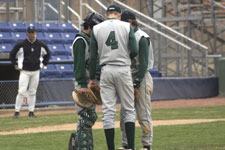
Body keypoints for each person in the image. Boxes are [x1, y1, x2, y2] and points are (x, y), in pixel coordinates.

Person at [89, 5, 138, 150]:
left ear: (106, 14)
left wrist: (92, 78)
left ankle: (110, 148)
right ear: (119, 14)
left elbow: (92, 57)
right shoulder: (126, 26)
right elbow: (134, 50)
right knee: (129, 109)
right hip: (123, 68)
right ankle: (131, 147)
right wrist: (125, 57)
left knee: (108, 111)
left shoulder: (96, 29)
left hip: (106, 70)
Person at [120, 10, 154, 150]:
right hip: (128, 77)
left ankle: (146, 145)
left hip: (142, 77)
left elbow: (144, 64)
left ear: (129, 22)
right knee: (125, 114)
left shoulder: (142, 37)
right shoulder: (125, 36)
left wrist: (136, 82)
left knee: (143, 113)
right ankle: (126, 144)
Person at [71, 12, 105, 150]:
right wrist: (82, 85)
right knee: (87, 116)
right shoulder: (81, 40)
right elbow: (79, 64)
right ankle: (81, 147)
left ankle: (79, 145)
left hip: (91, 83)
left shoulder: (90, 40)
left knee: (89, 118)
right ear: (91, 26)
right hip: (83, 83)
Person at [10, 26, 50, 118]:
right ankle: (17, 111)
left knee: (32, 92)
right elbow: (12, 54)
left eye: (33, 32)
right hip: (25, 71)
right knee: (21, 91)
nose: (31, 34)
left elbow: (47, 54)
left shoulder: (40, 44)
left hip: (36, 71)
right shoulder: (21, 44)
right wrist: (15, 64)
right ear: (27, 33)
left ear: (35, 33)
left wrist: (44, 64)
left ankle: (31, 111)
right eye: (30, 32)